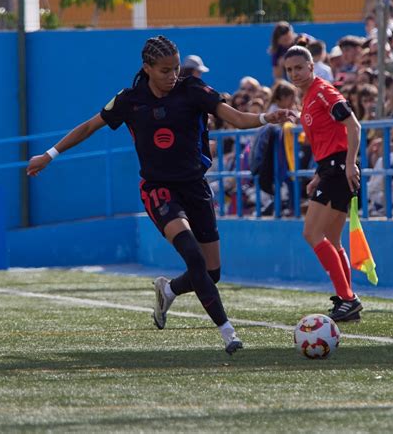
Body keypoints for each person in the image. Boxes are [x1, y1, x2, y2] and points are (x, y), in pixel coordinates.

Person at [26, 35, 295, 354]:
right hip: (158, 188)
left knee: (211, 273)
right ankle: (228, 332)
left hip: (195, 186)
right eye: (165, 70)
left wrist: (266, 118)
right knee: (192, 255)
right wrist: (50, 154)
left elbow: (234, 117)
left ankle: (168, 290)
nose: (172, 75)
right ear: (147, 68)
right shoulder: (130, 99)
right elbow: (89, 126)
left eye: (176, 68)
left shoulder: (192, 90)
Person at [283, 45, 363, 322]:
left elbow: (354, 126)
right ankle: (346, 298)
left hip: (339, 169)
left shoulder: (324, 92)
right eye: (290, 70)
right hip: (330, 169)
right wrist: (319, 173)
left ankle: (348, 299)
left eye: (299, 68)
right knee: (332, 238)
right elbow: (328, 140)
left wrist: (350, 163)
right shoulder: (308, 97)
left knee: (311, 233)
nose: (295, 74)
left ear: (311, 67)